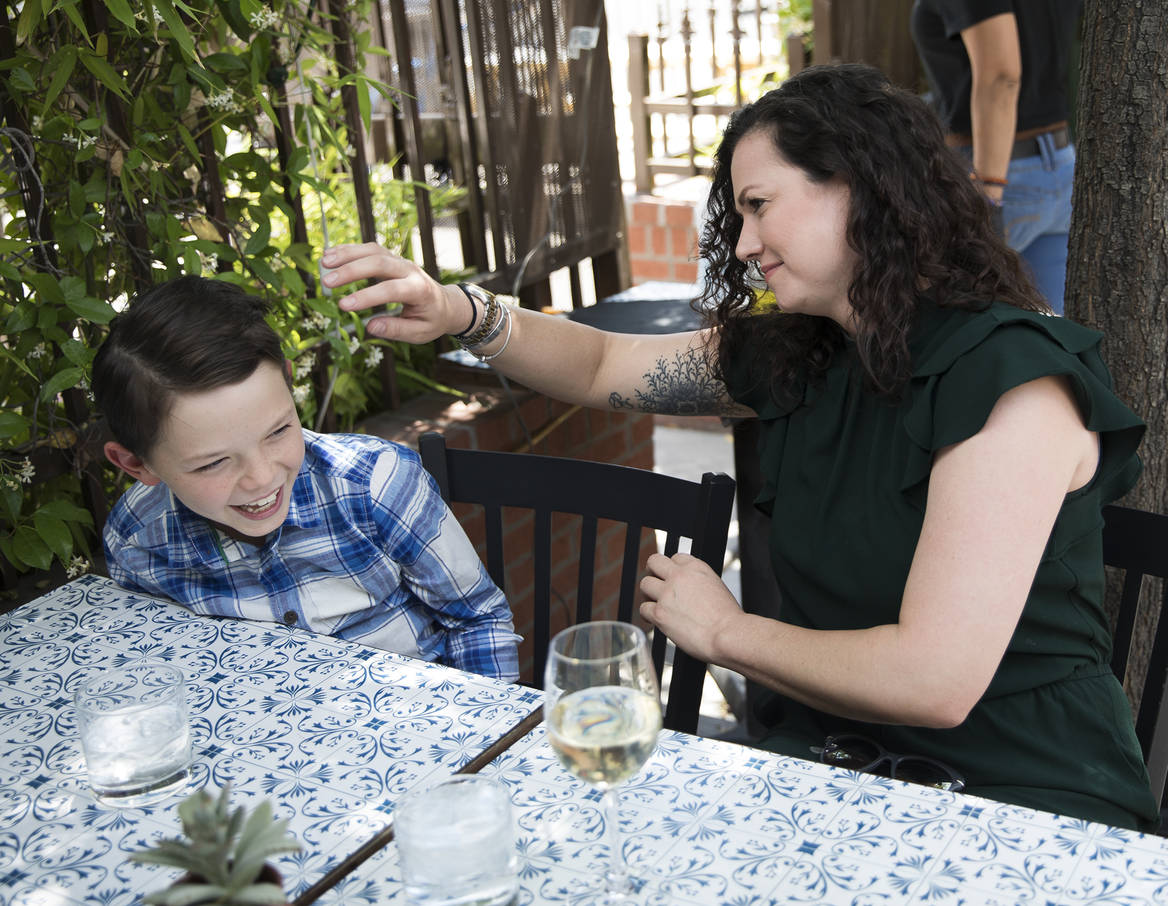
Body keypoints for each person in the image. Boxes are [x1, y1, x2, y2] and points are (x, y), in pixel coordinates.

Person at [318, 63, 1157, 831]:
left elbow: (935, 680)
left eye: (759, 205)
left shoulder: (1012, 381)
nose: (746, 244)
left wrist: (724, 632)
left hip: (1027, 785)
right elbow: (607, 361)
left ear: (861, 187)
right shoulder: (803, 353)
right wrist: (464, 313)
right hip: (839, 765)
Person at [92, 276, 519, 681]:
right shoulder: (137, 540)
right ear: (136, 465)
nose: (261, 478)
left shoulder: (376, 487)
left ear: (289, 382)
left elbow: (477, 621)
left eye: (278, 432)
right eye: (213, 464)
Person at [911, 0, 1081, 315]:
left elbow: (1002, 75)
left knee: (956, 331)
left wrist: (988, 192)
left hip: (995, 174)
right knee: (1051, 335)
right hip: (1058, 164)